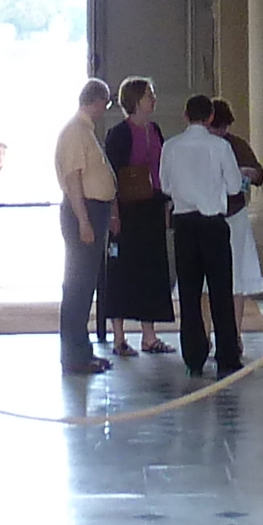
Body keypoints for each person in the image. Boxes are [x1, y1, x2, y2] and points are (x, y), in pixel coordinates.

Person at [159, 92, 247, 376]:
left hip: (184, 224)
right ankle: (227, 355)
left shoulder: (171, 147)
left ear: (185, 116)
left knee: (189, 292)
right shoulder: (219, 147)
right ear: (210, 117)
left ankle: (194, 356)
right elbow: (234, 187)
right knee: (221, 291)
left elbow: (165, 186)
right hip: (212, 223)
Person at [101, 76, 174, 359]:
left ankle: (149, 335)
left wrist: (166, 204)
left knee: (152, 271)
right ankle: (119, 337)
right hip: (127, 211)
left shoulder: (154, 129)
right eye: (148, 95)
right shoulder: (119, 134)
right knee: (122, 271)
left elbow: (162, 169)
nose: (153, 99)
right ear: (134, 100)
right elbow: (112, 177)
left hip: (152, 208)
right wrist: (114, 214)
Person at [53, 77, 117, 376]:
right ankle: (74, 354)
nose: (106, 109)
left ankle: (83, 350)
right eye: (106, 103)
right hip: (85, 210)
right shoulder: (76, 132)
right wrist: (84, 221)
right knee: (78, 286)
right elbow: (74, 180)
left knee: (84, 285)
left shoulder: (84, 132)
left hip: (93, 210)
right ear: (97, 101)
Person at [208, 100, 263, 301]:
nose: (221, 132)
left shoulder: (236, 144)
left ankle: (235, 331)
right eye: (217, 127)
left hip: (234, 213)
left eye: (224, 127)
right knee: (207, 279)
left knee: (238, 275)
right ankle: (206, 331)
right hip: (208, 214)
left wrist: (251, 173)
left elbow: (259, 175)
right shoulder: (201, 146)